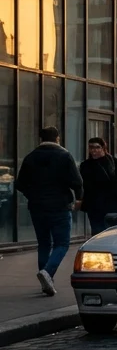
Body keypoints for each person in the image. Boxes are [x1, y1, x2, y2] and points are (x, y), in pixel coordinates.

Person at [15, 127, 84, 296]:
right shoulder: (64, 156)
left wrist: (32, 194)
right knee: (62, 243)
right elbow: (77, 181)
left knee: (44, 243)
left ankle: (46, 282)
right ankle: (47, 273)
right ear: (57, 139)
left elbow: (20, 184)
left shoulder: (31, 157)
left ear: (40, 139)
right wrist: (78, 199)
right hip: (59, 205)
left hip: (37, 206)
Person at [78, 137, 117, 236]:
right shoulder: (86, 165)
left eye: (97, 147)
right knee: (97, 233)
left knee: (111, 233)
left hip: (112, 204)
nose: (94, 150)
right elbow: (83, 184)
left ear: (103, 148)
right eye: (91, 147)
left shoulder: (113, 162)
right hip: (94, 205)